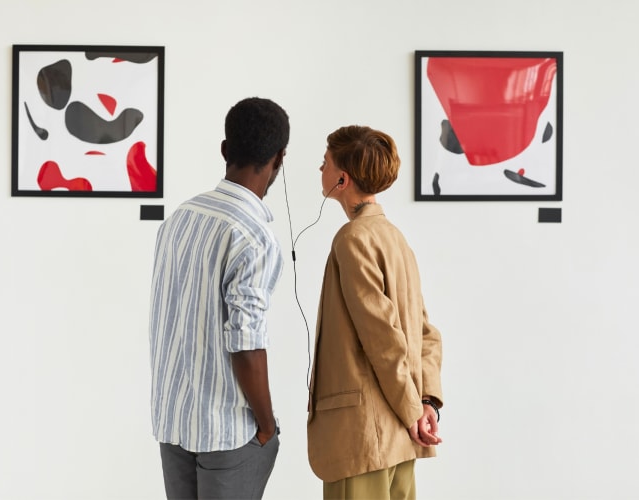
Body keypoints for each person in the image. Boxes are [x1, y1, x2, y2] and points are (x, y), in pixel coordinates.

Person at [148, 97, 289, 500]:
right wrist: (266, 425)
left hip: (174, 422)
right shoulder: (254, 235)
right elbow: (246, 344)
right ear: (279, 159)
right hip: (227, 431)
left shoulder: (180, 218)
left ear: (225, 150)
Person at [307, 125, 444, 500]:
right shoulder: (396, 238)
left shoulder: (353, 240)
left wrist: (415, 409)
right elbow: (425, 332)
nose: (319, 171)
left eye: (324, 164)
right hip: (399, 434)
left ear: (342, 178)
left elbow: (382, 338)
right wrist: (426, 403)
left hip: (364, 437)